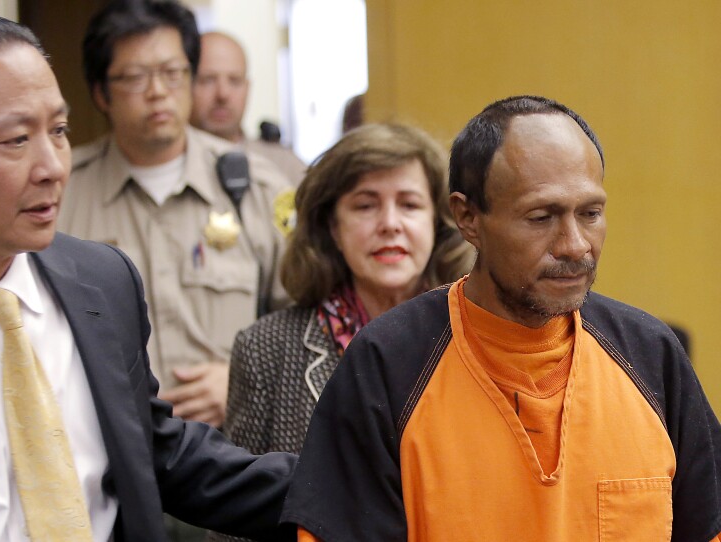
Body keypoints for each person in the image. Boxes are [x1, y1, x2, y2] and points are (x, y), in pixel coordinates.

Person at [0, 13, 297, 542]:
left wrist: (347, 484)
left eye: (57, 130)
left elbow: (156, 452)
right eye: (15, 140)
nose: (53, 166)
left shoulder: (102, 281)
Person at [281, 96, 721, 541]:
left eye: (590, 214)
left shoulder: (649, 354)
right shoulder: (389, 365)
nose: (574, 245)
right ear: (468, 217)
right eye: (541, 216)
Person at [208, 123, 473, 542]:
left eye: (409, 205)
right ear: (333, 226)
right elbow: (237, 523)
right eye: (365, 206)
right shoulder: (265, 350)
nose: (390, 224)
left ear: (439, 223)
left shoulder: (477, 339)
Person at [59, 0, 292, 430]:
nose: (158, 91)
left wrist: (246, 379)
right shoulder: (60, 193)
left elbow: (311, 316)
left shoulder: (258, 187)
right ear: (100, 93)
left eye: (173, 73)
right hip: (108, 452)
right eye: (134, 77)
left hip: (234, 454)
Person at [190, 31, 305, 185]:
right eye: (207, 80)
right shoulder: (165, 165)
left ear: (247, 88)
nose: (223, 94)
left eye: (235, 81)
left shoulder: (285, 167)